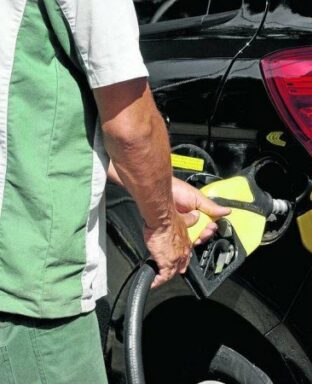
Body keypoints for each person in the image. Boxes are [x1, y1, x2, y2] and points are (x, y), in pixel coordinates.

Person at [0, 0, 229, 382]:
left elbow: (27, 118)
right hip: (29, 292)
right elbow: (131, 127)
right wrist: (163, 225)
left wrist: (157, 186)